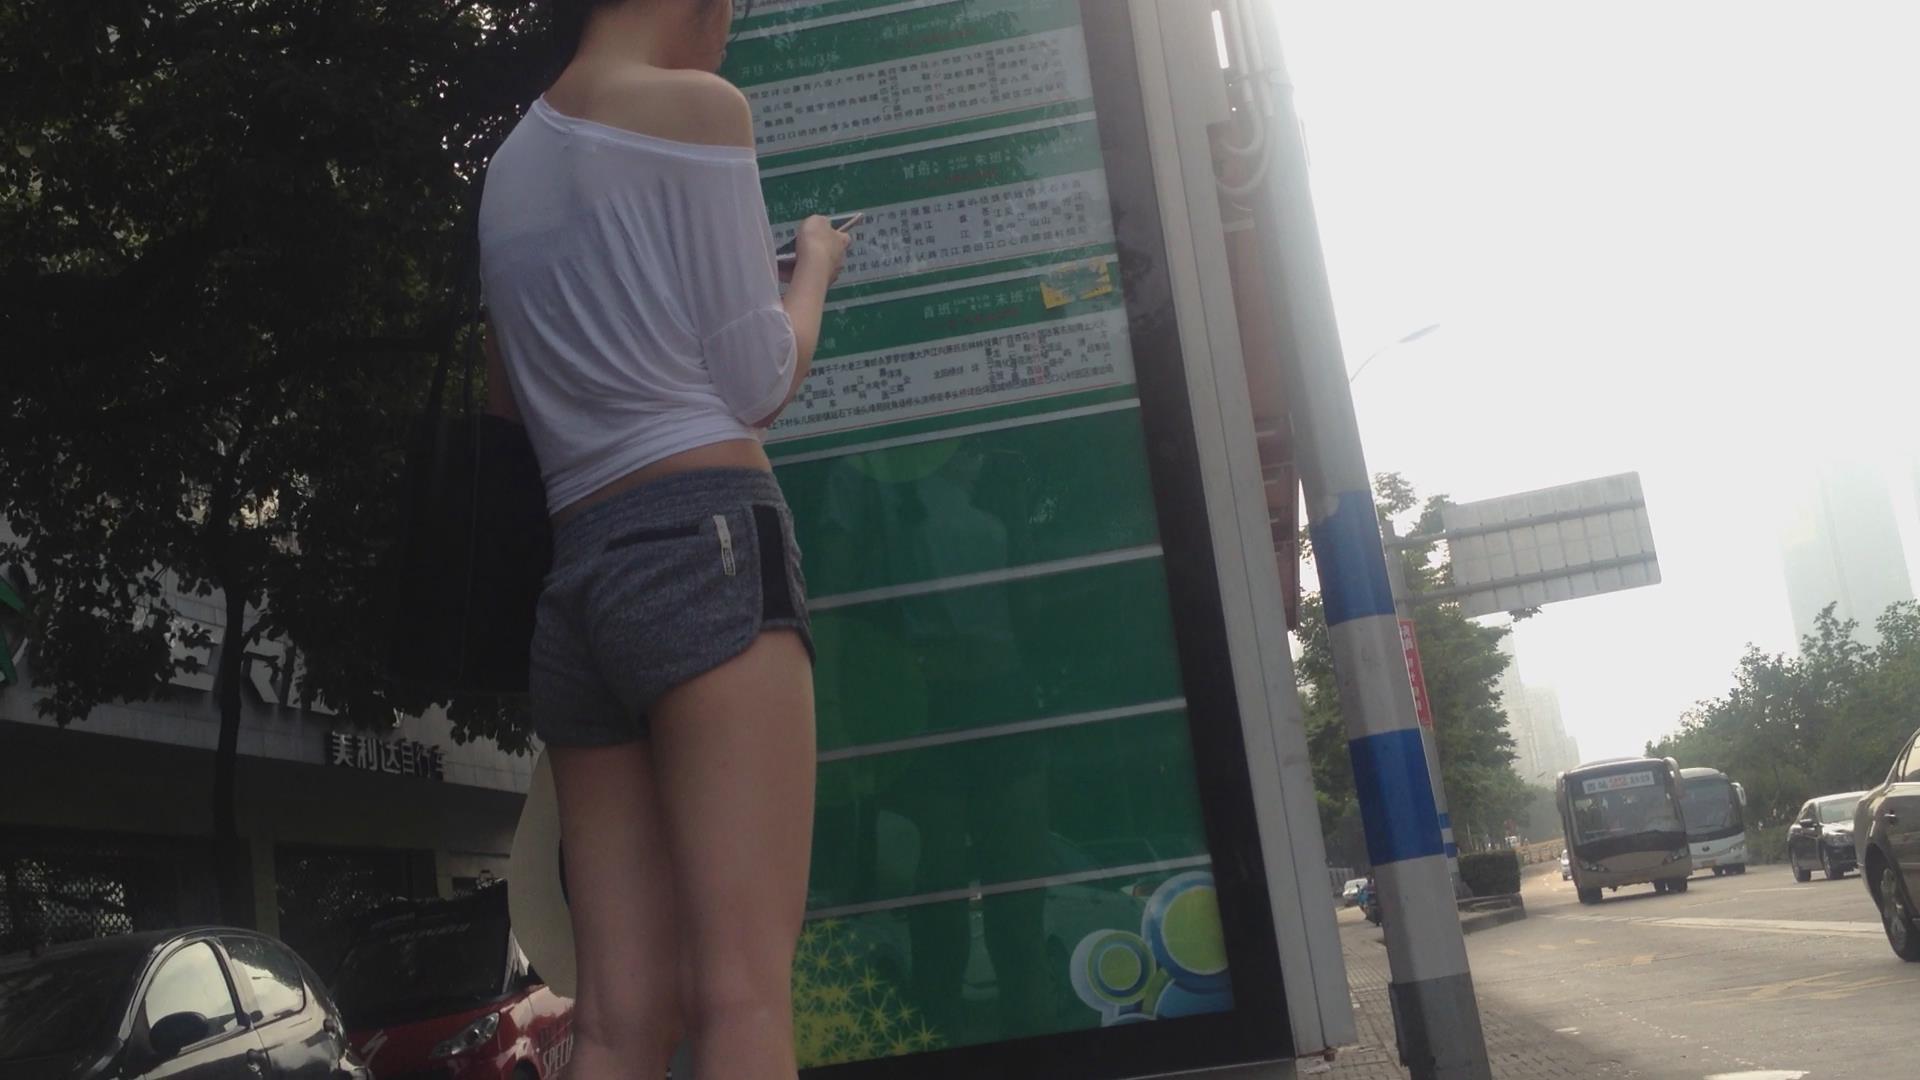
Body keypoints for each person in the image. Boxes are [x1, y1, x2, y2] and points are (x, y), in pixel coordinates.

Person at [476, 1, 855, 1077]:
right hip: (706, 546)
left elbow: (508, 400)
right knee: (742, 995)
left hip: (577, 582)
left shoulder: (506, 169)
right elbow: (757, 382)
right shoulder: (698, 109)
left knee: (616, 1016)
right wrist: (813, 267)